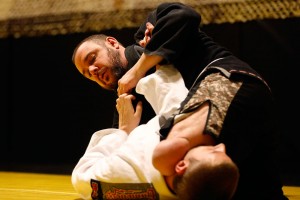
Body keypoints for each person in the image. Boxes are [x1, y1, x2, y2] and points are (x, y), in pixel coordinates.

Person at [72, 2, 287, 199]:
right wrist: (124, 131)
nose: (92, 70)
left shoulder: (149, 32)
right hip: (232, 122)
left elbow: (185, 15)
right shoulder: (126, 101)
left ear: (112, 43)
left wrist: (140, 67)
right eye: (87, 74)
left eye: (92, 59)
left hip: (229, 83)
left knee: (179, 138)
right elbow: (117, 157)